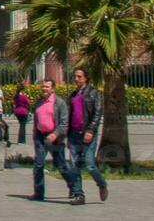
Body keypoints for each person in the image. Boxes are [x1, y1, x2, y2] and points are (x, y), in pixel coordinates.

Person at [30, 78, 79, 204]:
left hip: (54, 139)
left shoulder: (59, 103)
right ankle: (39, 192)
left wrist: (55, 134)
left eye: (47, 87)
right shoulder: (39, 102)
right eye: (43, 87)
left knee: (61, 166)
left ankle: (74, 188)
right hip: (41, 137)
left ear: (52, 89)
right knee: (38, 165)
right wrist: (35, 135)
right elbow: (36, 120)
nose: (44, 89)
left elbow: (64, 123)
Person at [68, 67, 109, 204]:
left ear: (86, 78)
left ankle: (101, 183)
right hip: (74, 134)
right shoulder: (73, 95)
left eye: (79, 76)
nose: (76, 79)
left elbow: (98, 113)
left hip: (87, 133)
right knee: (74, 165)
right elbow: (69, 116)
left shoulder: (94, 93)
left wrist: (91, 130)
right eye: (75, 76)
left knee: (89, 164)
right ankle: (79, 195)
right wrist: (67, 135)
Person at [13, 81, 32, 145]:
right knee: (23, 126)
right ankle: (21, 141)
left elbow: (14, 103)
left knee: (21, 125)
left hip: (17, 111)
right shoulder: (24, 97)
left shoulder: (16, 96)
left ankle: (20, 140)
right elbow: (29, 104)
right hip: (23, 111)